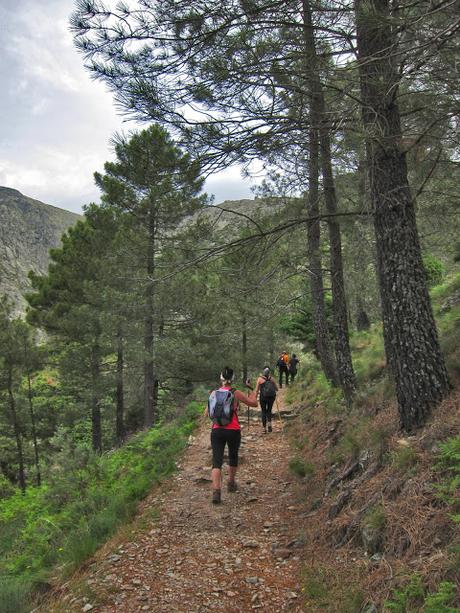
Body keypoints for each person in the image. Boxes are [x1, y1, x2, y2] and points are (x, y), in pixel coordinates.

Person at [206, 366, 258, 504]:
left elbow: (207, 414)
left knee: (216, 461)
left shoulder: (213, 393)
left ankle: (216, 492)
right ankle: (231, 483)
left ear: (221, 378)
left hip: (217, 430)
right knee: (233, 456)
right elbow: (254, 403)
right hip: (233, 430)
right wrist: (252, 389)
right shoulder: (236, 393)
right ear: (232, 378)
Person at [255, 367, 278, 433]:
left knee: (263, 411)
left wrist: (255, 397)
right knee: (269, 410)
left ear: (263, 373)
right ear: (269, 373)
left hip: (263, 397)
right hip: (271, 397)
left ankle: (264, 429)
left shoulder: (260, 379)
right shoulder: (272, 379)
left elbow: (257, 390)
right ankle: (269, 425)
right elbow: (276, 389)